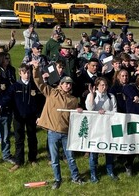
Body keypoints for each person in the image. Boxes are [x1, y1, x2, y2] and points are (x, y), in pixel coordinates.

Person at [32, 59, 84, 189]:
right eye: (65, 83)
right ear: (60, 84)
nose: (68, 85)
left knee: (70, 158)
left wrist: (79, 110)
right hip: (53, 132)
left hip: (66, 132)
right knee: (54, 160)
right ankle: (57, 179)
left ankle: (75, 178)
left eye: (69, 84)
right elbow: (39, 82)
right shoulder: (52, 92)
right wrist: (36, 69)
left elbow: (76, 117)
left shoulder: (73, 99)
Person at [8, 64, 44, 171]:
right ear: (20, 73)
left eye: (28, 73)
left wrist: (38, 115)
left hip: (31, 116)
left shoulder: (34, 86)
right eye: (24, 73)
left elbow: (40, 102)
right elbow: (9, 100)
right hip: (18, 117)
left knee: (32, 138)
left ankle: (32, 159)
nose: (27, 75)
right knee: (19, 139)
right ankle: (19, 161)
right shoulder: (14, 86)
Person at [85, 77, 118, 183]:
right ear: (97, 86)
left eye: (106, 85)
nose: (104, 87)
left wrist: (107, 113)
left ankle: (110, 171)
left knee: (109, 150)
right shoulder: (92, 96)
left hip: (108, 126)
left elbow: (115, 110)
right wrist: (92, 95)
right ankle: (93, 174)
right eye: (102, 85)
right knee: (94, 151)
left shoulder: (111, 96)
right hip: (95, 127)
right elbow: (90, 109)